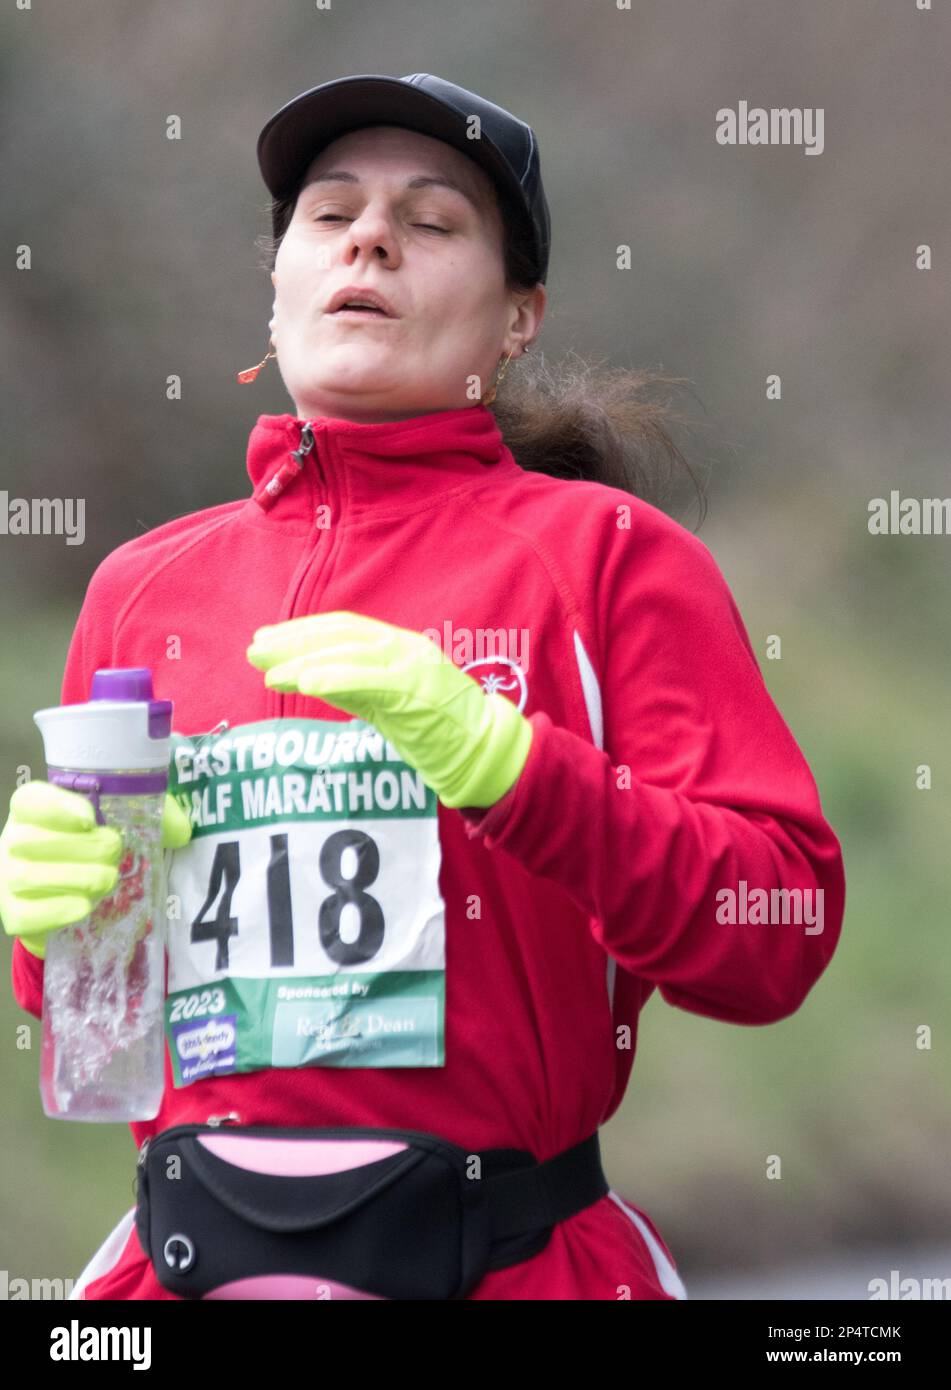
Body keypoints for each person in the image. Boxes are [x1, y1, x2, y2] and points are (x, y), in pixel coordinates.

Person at [1, 73, 845, 1300]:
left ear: (518, 320)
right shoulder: (139, 588)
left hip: (514, 1262)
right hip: (177, 1267)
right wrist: (55, 929)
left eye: (433, 219)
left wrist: (521, 774)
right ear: (277, 287)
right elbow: (105, 1023)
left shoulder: (612, 558)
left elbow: (779, 932)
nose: (371, 236)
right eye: (328, 213)